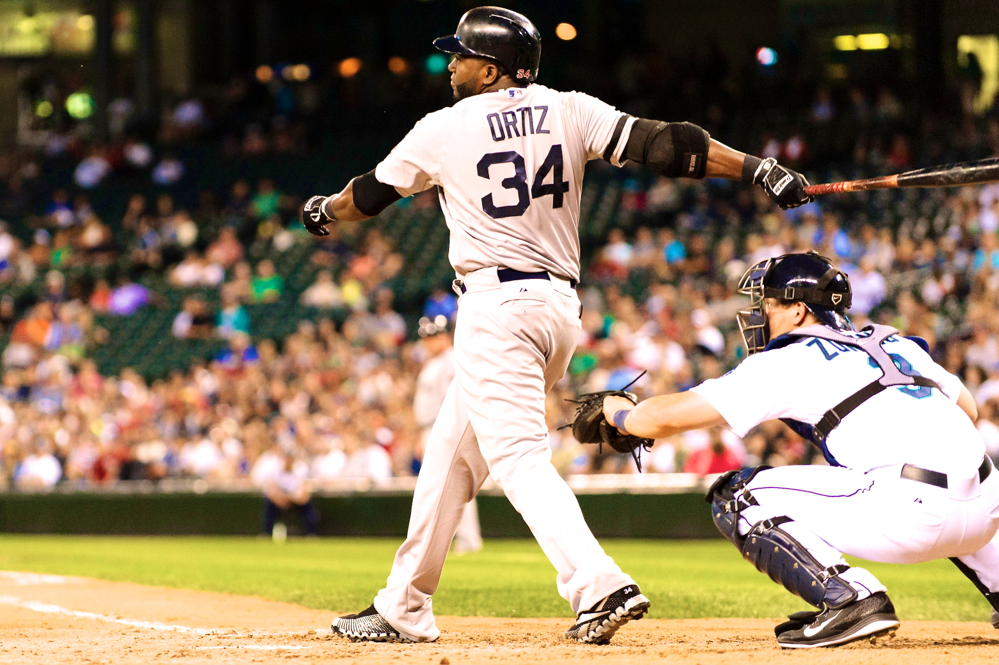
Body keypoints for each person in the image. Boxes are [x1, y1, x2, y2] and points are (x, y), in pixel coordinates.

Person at [301, 6, 812, 645]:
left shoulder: (443, 127)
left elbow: (369, 196)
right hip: (556, 311)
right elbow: (669, 145)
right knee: (451, 460)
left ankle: (599, 586)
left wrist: (322, 212)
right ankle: (403, 606)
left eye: (459, 55)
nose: (450, 63)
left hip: (495, 308)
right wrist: (757, 168)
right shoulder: (568, 107)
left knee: (516, 458)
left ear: (488, 69)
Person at [598, 251, 999, 649]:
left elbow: (661, 419)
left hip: (913, 514)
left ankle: (851, 598)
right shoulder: (894, 342)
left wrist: (617, 413)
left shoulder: (791, 358)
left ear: (798, 311)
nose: (761, 313)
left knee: (737, 495)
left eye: (769, 303)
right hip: (989, 510)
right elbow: (969, 408)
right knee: (955, 470)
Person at [413, 315, 482, 554]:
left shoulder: (451, 360)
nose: (429, 341)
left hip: (442, 427)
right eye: (426, 337)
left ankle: (468, 539)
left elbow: (452, 400)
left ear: (444, 335)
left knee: (455, 483)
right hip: (428, 427)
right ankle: (450, 540)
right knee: (439, 486)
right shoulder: (433, 363)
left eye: (433, 336)